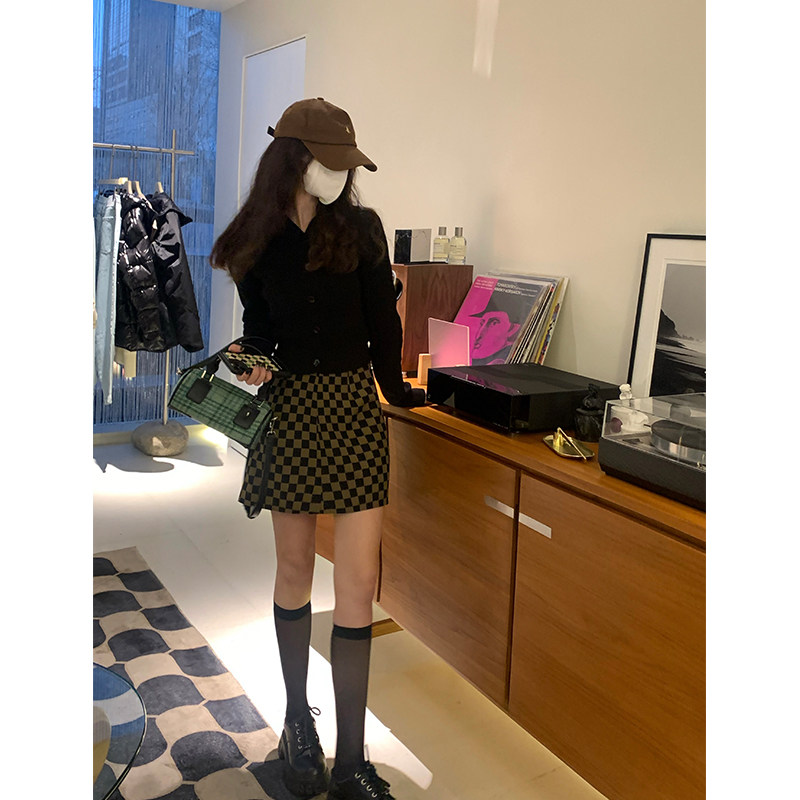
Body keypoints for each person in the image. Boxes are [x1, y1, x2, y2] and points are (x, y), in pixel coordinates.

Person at [210, 97, 425, 800]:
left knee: (358, 583)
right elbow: (261, 329)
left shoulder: (361, 229)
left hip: (353, 410)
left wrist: (398, 390)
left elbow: (383, 324)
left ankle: (353, 758)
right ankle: (298, 721)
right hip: (291, 412)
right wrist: (245, 363)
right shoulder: (256, 239)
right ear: (294, 158)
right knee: (296, 569)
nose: (342, 175)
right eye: (332, 162)